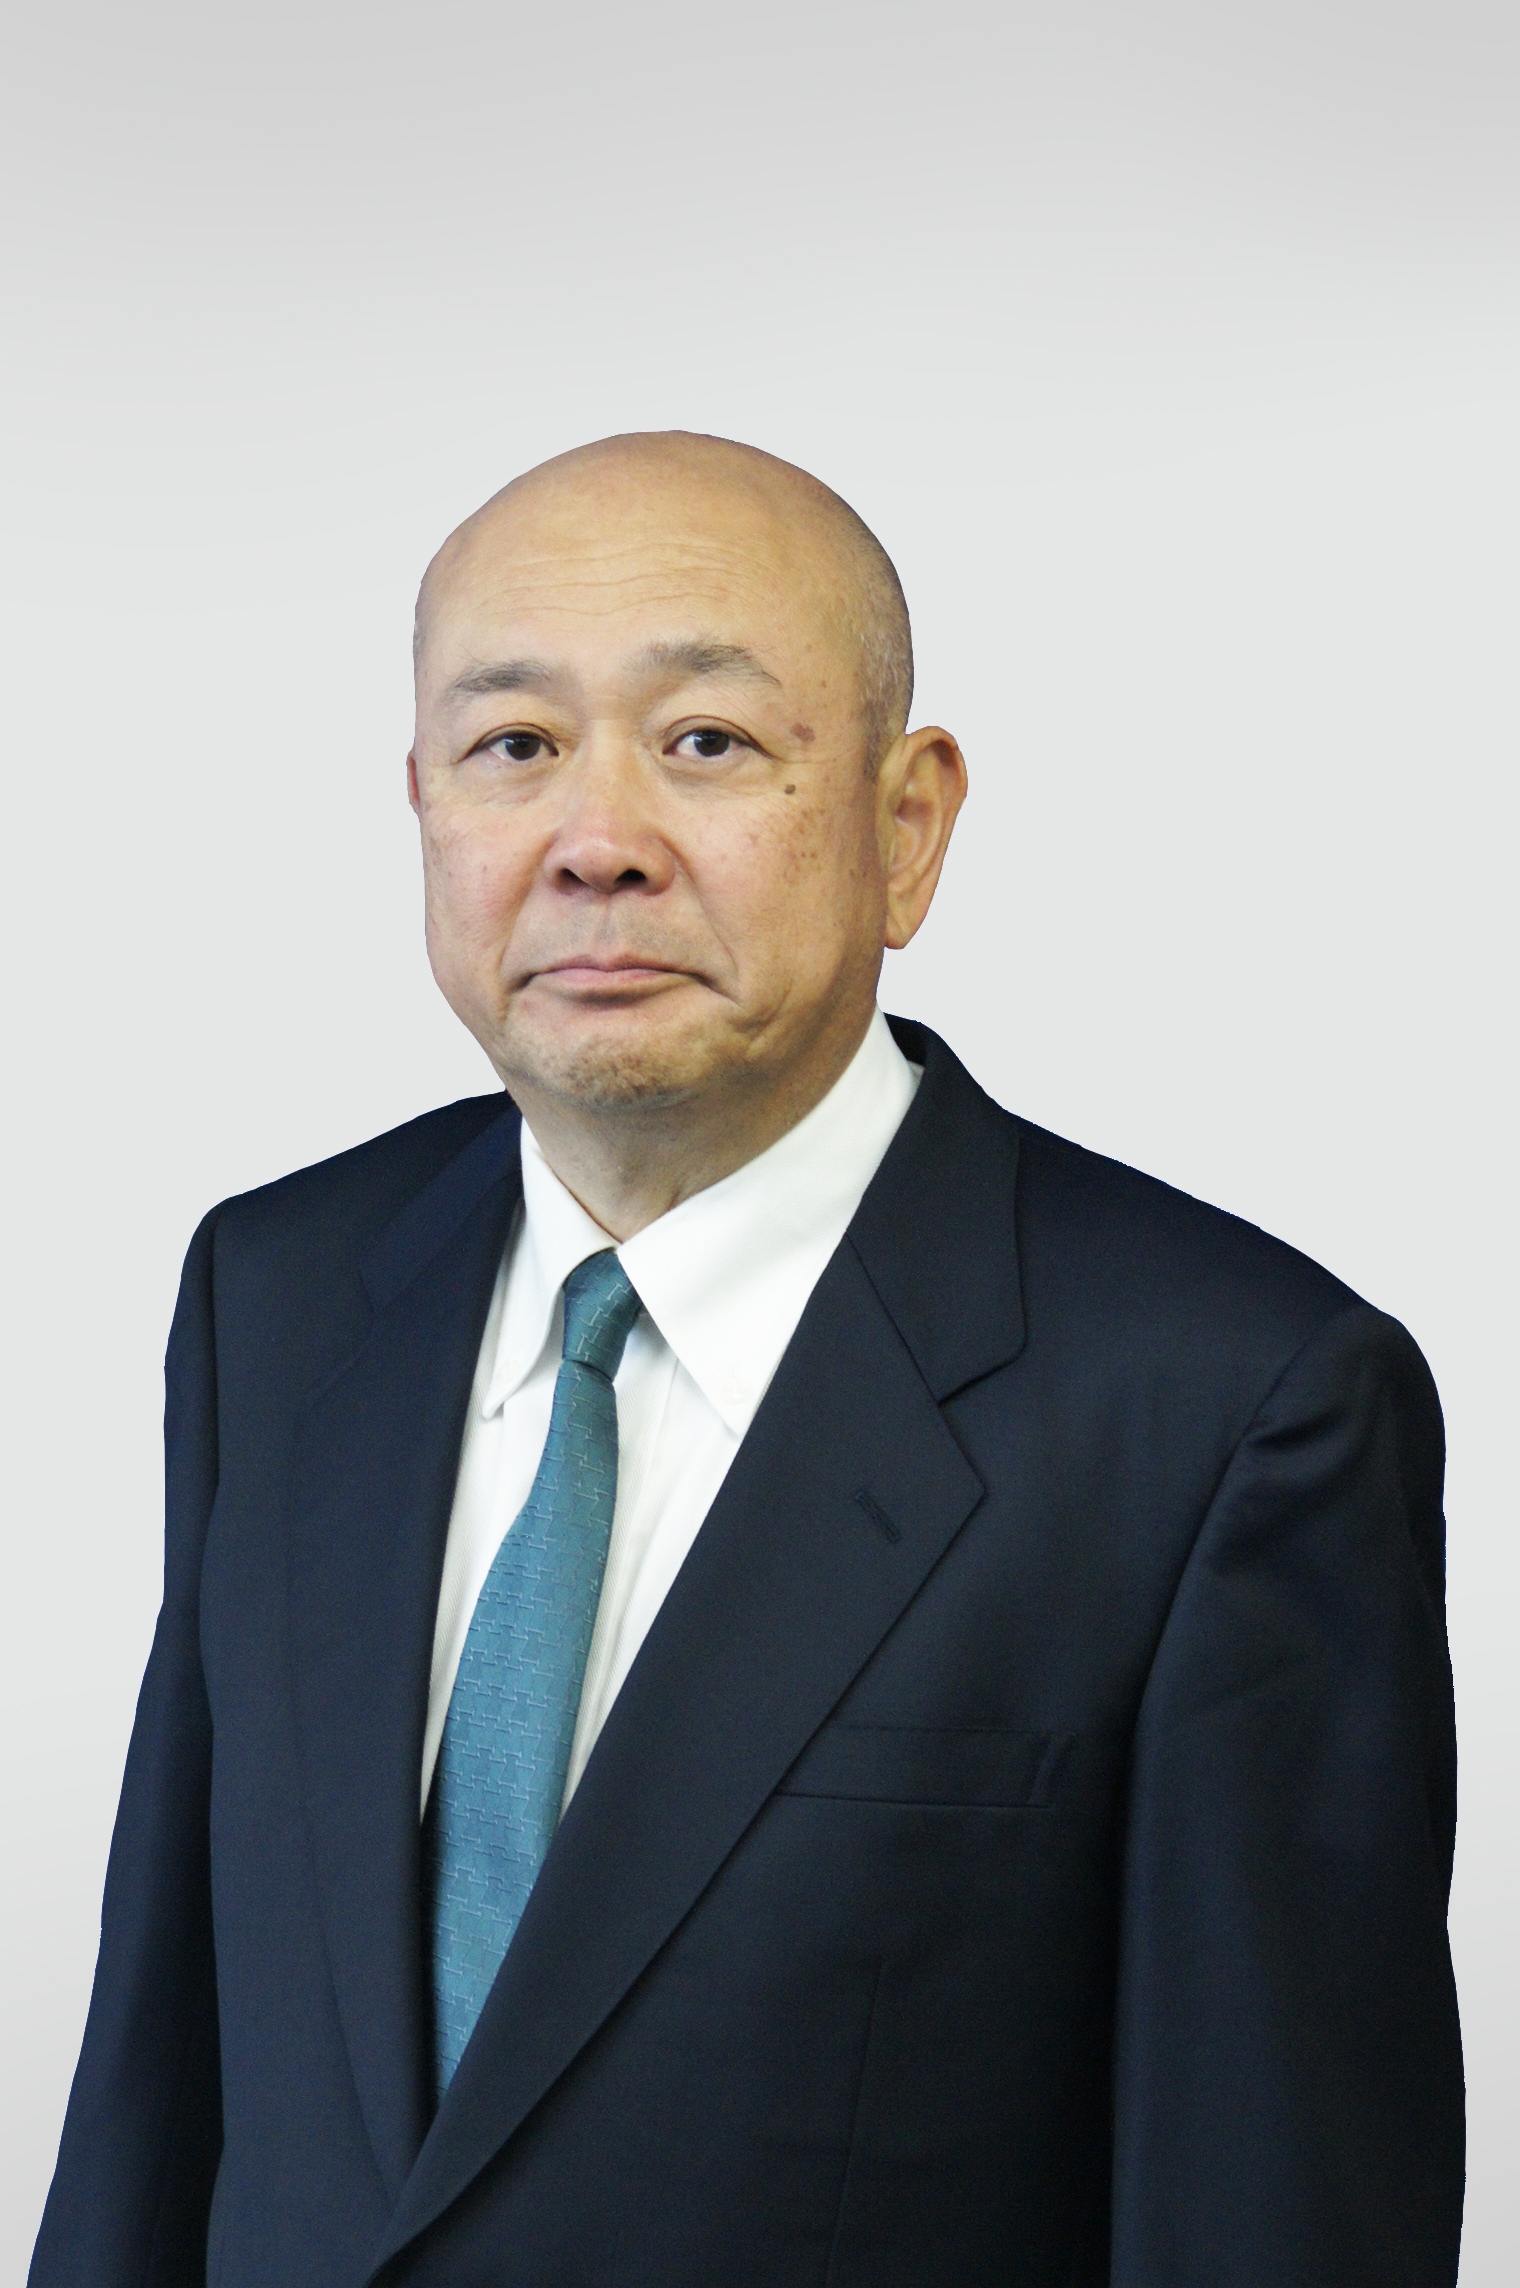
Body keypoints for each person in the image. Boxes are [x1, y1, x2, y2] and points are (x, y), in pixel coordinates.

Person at [31, 432, 1463, 2287]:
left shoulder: (1229, 1407)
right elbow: (157, 2104)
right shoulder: (280, 1297)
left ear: (907, 824)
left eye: (705, 741)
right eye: (513, 746)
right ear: (423, 807)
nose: (596, 840)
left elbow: (1273, 2221)